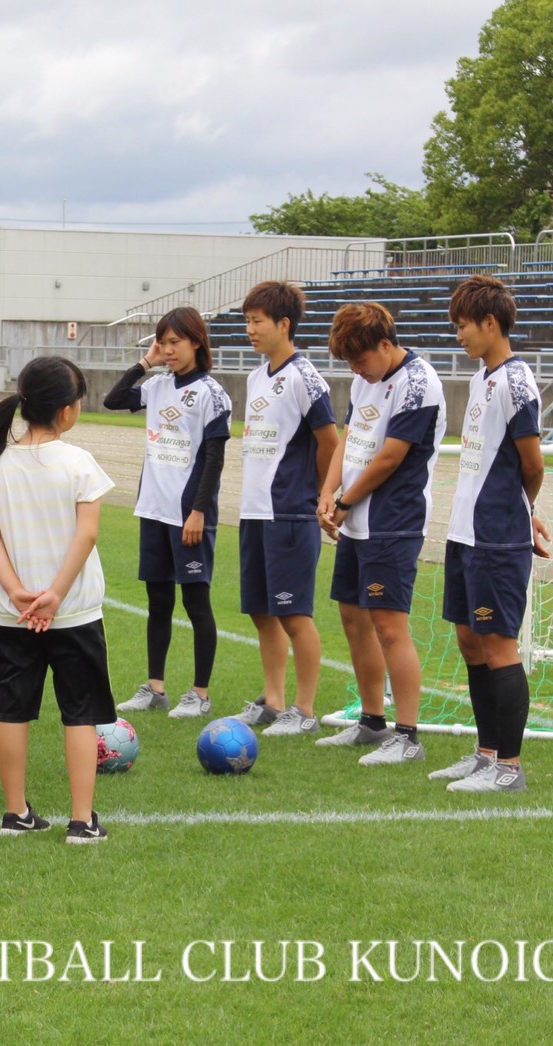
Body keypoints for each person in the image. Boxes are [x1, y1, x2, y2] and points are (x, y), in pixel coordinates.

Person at [0, 355, 116, 843]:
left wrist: (16, 591)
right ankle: (82, 820)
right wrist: (54, 596)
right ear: (67, 410)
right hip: (72, 613)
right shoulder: (78, 463)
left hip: (13, 615)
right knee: (81, 712)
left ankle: (15, 813)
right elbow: (86, 536)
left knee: (13, 711)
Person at [434, 275, 549, 793]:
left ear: (490, 322)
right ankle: (484, 755)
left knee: (499, 646)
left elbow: (533, 463)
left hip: (497, 537)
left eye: (463, 325)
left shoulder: (515, 382)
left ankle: (510, 768)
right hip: (466, 533)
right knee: (469, 640)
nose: (458, 335)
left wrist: (524, 512)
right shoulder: (484, 377)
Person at [317, 302, 446, 766]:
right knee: (353, 617)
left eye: (361, 360)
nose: (357, 370)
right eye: (350, 364)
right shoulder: (363, 380)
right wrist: (328, 493)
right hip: (355, 519)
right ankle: (372, 722)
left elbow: (391, 457)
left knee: (390, 626)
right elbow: (349, 439)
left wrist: (346, 500)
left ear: (386, 345)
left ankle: (408, 734)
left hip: (394, 520)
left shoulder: (419, 382)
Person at [106, 306, 232, 719]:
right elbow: (112, 400)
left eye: (176, 342)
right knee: (158, 601)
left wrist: (198, 511)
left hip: (188, 516)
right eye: (163, 343)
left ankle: (199, 693)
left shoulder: (212, 394)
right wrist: (146, 362)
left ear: (197, 341)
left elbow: (214, 460)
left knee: (196, 603)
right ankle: (155, 687)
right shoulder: (157, 386)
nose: (169, 350)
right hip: (154, 511)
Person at [232, 281, 338, 736]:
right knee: (262, 611)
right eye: (247, 321)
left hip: (290, 513)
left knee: (295, 615)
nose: (251, 330)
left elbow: (330, 443)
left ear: (283, 324)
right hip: (254, 511)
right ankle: (273, 700)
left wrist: (314, 495)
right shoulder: (258, 376)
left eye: (258, 321)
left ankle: (305, 709)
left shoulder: (305, 377)